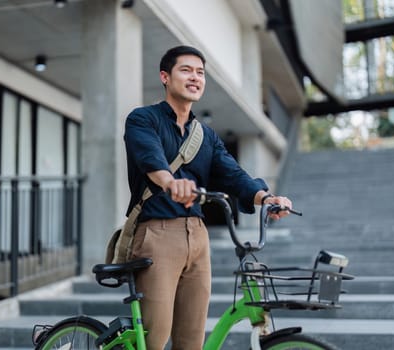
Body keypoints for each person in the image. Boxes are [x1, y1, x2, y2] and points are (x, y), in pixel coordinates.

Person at [123, 45, 292, 350]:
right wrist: (170, 182)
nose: (195, 78)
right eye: (186, 70)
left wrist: (265, 198)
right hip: (158, 234)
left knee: (192, 339)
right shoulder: (143, 119)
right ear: (165, 76)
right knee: (153, 338)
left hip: (198, 239)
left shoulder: (206, 136)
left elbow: (233, 175)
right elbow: (151, 159)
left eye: (200, 73)